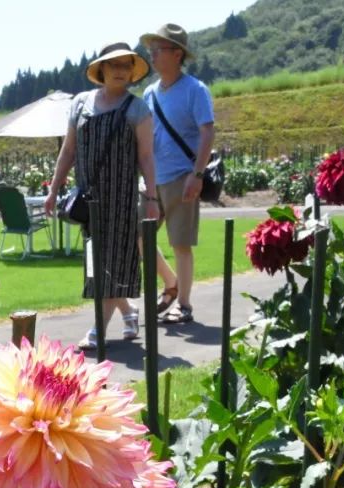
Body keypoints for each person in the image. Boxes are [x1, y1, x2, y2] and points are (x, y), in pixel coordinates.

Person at [43, 42, 159, 351]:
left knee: (114, 264)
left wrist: (152, 199)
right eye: (114, 65)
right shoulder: (80, 104)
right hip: (88, 202)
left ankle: (98, 328)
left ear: (132, 72)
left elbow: (147, 158)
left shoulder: (137, 109)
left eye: (126, 66)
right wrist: (54, 190)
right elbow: (68, 151)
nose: (120, 71)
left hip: (122, 201)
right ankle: (128, 312)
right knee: (98, 265)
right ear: (102, 70)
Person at [141, 23, 215, 324]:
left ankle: (183, 305)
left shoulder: (195, 90)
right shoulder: (148, 93)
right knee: (139, 234)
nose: (153, 56)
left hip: (182, 176)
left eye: (158, 50)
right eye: (151, 51)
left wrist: (197, 174)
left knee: (180, 244)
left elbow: (207, 132)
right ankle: (171, 283)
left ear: (177, 54)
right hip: (152, 180)